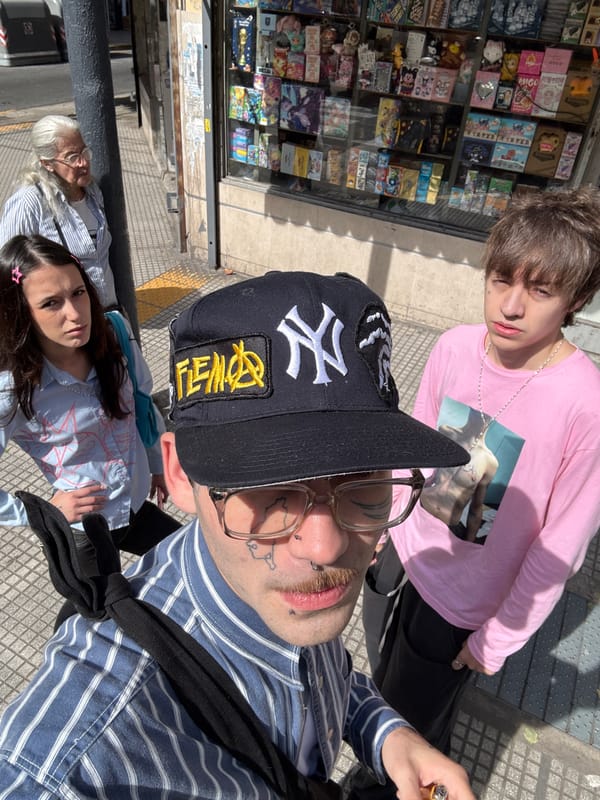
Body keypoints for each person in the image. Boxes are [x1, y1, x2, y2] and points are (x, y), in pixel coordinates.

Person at [0, 271, 475, 799]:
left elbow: (328, 674)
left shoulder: (283, 583)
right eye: (267, 487)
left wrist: (387, 734)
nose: (327, 546)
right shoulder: (90, 742)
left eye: (362, 479)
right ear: (179, 474)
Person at [357, 186, 600, 787]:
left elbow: (558, 550)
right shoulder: (453, 347)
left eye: (539, 290)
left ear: (576, 298)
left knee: (402, 730)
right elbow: (411, 445)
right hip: (400, 561)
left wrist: (497, 640)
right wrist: (388, 520)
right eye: (500, 280)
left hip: (461, 608)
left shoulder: (584, 403)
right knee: (384, 685)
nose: (510, 306)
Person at [0, 235, 179, 592]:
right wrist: (40, 512)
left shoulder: (114, 331)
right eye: (51, 303)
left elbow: (141, 403)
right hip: (84, 530)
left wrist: (156, 463)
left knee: (189, 562)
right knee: (97, 615)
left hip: (134, 503)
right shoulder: (14, 386)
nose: (74, 314)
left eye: (78, 293)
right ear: (22, 312)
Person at [0, 115, 118, 309]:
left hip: (106, 316)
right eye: (72, 157)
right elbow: (8, 268)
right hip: (64, 322)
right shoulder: (29, 203)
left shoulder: (93, 192)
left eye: (84, 152)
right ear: (47, 163)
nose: (83, 163)